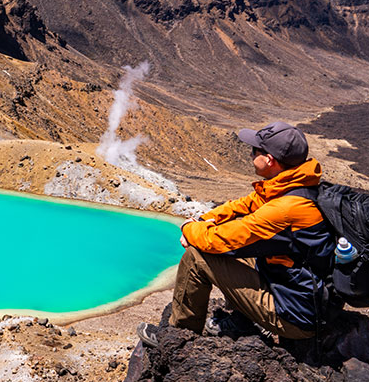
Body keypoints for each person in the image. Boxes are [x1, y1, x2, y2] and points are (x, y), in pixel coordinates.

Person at [137, 121, 338, 347]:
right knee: (239, 252)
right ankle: (243, 320)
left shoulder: (285, 208)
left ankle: (177, 337)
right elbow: (244, 204)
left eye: (255, 151)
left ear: (269, 160)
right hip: (305, 297)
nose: (251, 154)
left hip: (295, 317)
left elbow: (217, 240)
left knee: (197, 258)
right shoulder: (297, 186)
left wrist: (189, 229)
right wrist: (203, 220)